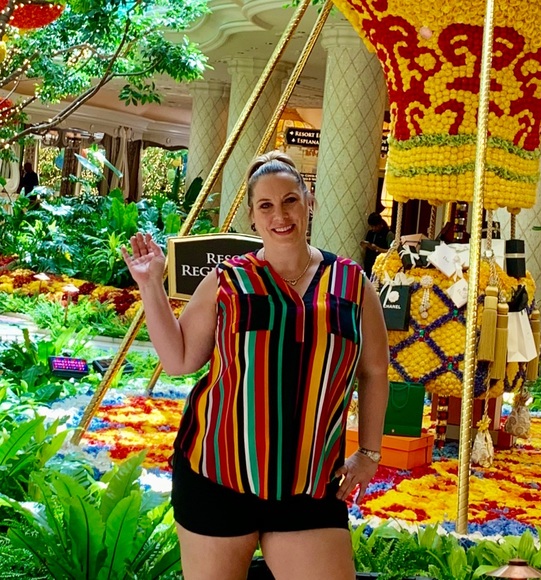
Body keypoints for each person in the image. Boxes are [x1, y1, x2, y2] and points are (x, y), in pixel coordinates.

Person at [122, 150, 389, 580]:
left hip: (309, 484)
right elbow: (179, 359)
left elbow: (374, 371)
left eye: (290, 200)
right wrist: (150, 284)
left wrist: (370, 453)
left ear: (309, 202)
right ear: (252, 217)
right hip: (218, 475)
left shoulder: (351, 283)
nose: (279, 215)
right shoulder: (227, 281)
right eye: (265, 205)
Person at [360, 212, 394, 278]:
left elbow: (392, 252)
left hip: (381, 267)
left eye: (375, 226)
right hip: (369, 266)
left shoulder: (388, 234)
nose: (373, 229)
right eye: (371, 226)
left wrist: (378, 248)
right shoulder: (370, 233)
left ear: (380, 224)